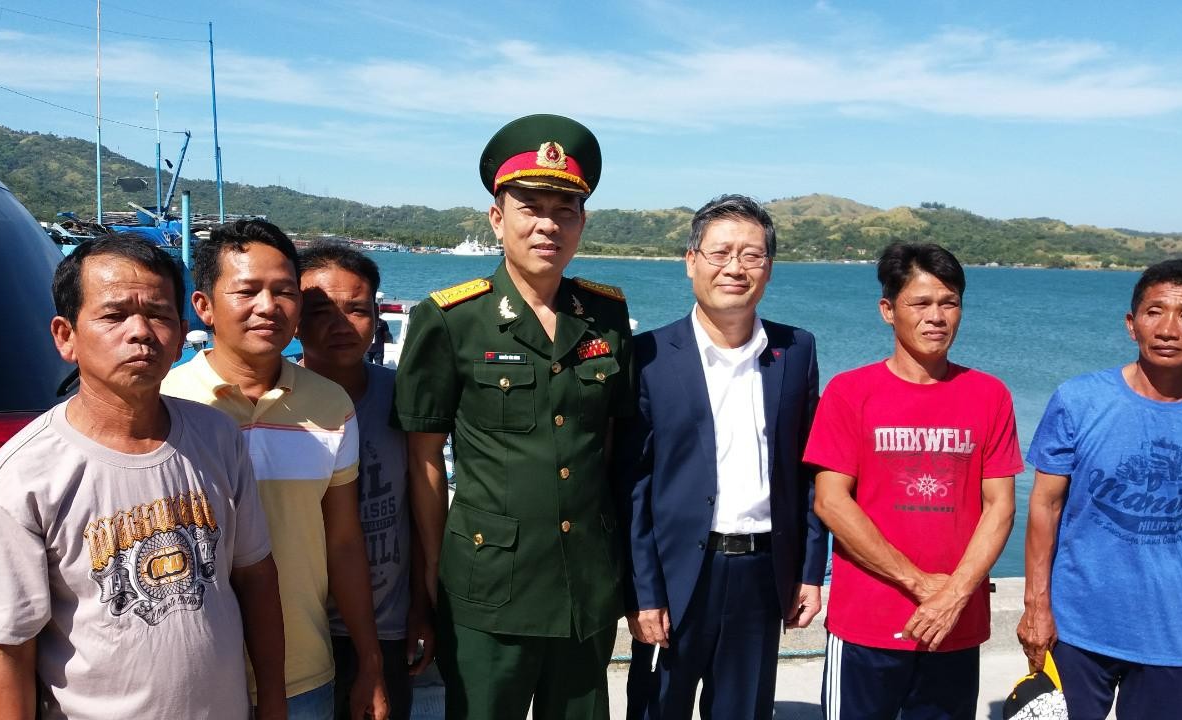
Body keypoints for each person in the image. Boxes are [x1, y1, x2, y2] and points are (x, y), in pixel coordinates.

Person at [0, 235, 285, 719]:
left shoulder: (217, 438)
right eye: (114, 315)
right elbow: (8, 645)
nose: (140, 331)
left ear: (180, 335)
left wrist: (274, 702)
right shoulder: (24, 474)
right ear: (65, 336)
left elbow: (255, 576)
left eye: (158, 315)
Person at [392, 113, 635, 720]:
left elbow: (607, 444)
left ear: (582, 223)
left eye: (565, 208)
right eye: (529, 205)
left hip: (585, 583)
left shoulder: (605, 318)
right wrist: (428, 579)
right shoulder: (450, 319)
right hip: (486, 586)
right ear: (497, 218)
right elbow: (423, 460)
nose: (548, 223)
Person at [162, 220, 389, 720]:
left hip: (303, 672)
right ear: (203, 306)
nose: (268, 307)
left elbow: (345, 542)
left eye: (284, 292)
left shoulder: (330, 406)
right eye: (247, 291)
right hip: (189, 676)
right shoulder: (166, 402)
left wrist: (370, 661)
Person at [619, 195, 827, 719]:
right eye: (720, 253)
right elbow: (633, 483)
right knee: (657, 707)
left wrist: (808, 571)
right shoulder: (647, 356)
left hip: (761, 573)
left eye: (752, 255)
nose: (735, 267)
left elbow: (807, 470)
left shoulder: (795, 351)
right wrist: (642, 592)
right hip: (676, 575)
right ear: (691, 261)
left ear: (769, 269)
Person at [804, 243, 1021, 719]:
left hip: (954, 627)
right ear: (888, 310)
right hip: (866, 623)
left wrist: (955, 595)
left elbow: (1000, 506)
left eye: (949, 302)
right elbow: (831, 502)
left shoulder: (989, 395)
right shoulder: (850, 392)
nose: (936, 317)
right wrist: (921, 584)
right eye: (920, 304)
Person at [1018, 259, 1182, 719]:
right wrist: (1036, 606)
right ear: (1131, 322)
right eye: (1154, 311)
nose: (1167, 329)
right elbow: (1045, 506)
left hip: (1172, 636)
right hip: (1075, 629)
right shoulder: (1078, 400)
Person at [297, 242, 432, 719]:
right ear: (294, 316)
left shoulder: (402, 397)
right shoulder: (275, 406)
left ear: (376, 317)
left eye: (357, 309)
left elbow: (416, 510)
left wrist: (422, 606)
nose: (340, 324)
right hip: (305, 633)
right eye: (320, 310)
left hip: (389, 623)